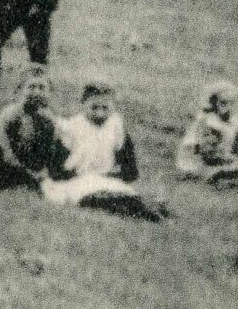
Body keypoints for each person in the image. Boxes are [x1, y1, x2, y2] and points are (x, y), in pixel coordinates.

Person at [43, 82, 169, 221]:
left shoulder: (116, 126)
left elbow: (130, 170)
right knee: (96, 198)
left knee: (122, 194)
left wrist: (113, 175)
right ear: (83, 105)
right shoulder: (71, 128)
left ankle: (149, 210)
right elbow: (56, 169)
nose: (100, 113)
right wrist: (76, 174)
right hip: (76, 180)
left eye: (105, 108)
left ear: (112, 107)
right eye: (94, 107)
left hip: (106, 179)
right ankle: (145, 213)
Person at [176, 80, 238, 188]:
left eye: (232, 103)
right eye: (223, 103)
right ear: (214, 103)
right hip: (202, 165)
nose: (228, 108)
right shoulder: (208, 122)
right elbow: (207, 153)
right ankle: (231, 177)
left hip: (225, 160)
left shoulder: (234, 122)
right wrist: (232, 159)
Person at [0, 68, 67, 187]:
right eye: (31, 87)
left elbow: (51, 149)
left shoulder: (48, 118)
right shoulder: (8, 116)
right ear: (20, 90)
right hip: (9, 167)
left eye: (41, 88)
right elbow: (4, 150)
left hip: (34, 167)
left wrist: (44, 170)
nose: (36, 92)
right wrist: (28, 173)